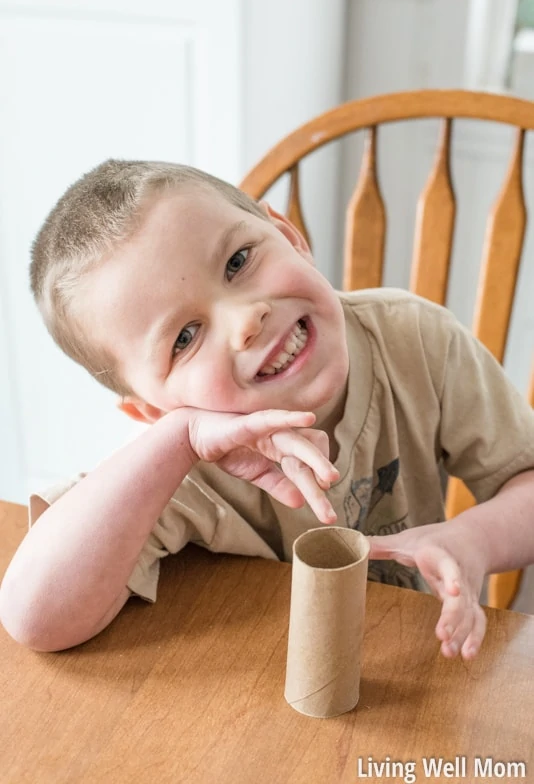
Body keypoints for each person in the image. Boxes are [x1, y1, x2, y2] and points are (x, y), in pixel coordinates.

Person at [1, 160, 533, 659]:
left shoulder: (416, 339)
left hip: (421, 661)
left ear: (289, 237)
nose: (246, 320)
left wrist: (474, 541)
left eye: (238, 261)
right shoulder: (185, 465)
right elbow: (35, 619)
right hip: (263, 696)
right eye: (184, 338)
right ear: (152, 412)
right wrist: (179, 441)